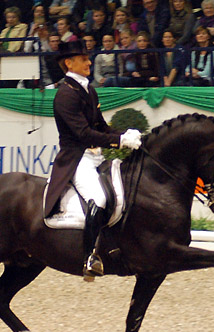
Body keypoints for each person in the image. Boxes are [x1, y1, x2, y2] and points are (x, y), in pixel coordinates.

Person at [44, 39, 142, 278]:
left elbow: (100, 126)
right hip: (77, 159)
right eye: (84, 59)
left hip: (96, 157)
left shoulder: (88, 89)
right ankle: (89, 257)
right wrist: (119, 142)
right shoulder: (65, 94)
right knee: (98, 198)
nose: (89, 62)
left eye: (88, 58)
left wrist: (124, 134)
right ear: (69, 63)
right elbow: (83, 134)